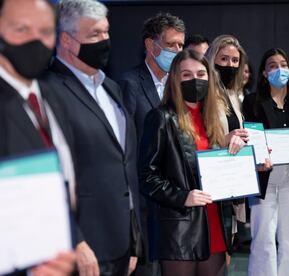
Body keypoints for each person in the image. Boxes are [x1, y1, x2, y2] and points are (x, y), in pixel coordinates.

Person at [44, 0, 142, 275]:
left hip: (122, 244)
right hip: (80, 247)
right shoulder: (47, 92)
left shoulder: (111, 88)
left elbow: (125, 164)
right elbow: (49, 178)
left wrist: (134, 237)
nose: (105, 41)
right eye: (94, 35)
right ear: (66, 40)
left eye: (106, 32)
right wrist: (75, 241)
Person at [139, 49, 244, 276]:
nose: (195, 80)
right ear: (175, 80)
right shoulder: (161, 117)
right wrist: (183, 197)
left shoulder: (213, 120)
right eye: (186, 75)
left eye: (201, 74)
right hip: (180, 230)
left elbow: (215, 168)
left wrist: (242, 158)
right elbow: (147, 178)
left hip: (215, 223)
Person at [0, 0, 76, 275]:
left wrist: (75, 241)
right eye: (21, 29)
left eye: (45, 31)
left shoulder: (55, 97)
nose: (35, 40)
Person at [118, 12, 185, 276]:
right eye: (172, 45)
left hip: (176, 200)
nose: (178, 52)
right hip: (144, 202)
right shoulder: (129, 84)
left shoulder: (182, 87)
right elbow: (126, 144)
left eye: (181, 45)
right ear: (151, 45)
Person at [243, 48, 289, 276]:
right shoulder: (253, 101)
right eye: (273, 65)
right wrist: (257, 156)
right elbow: (250, 137)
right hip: (265, 176)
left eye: (283, 64)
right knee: (263, 239)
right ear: (264, 73)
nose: (279, 69)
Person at [205, 35, 250, 263]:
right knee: (214, 254)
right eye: (224, 59)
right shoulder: (203, 92)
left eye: (235, 60)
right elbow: (197, 138)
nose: (230, 65)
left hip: (230, 183)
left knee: (226, 253)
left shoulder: (232, 94)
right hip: (209, 185)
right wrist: (224, 140)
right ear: (212, 59)